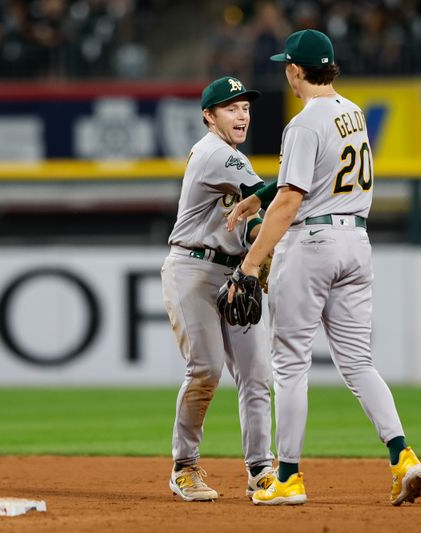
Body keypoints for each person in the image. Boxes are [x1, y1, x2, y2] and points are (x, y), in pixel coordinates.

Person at [225, 29, 421, 506]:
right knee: (358, 362)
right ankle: (403, 455)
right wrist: (260, 193)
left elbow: (293, 198)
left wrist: (250, 266)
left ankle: (289, 478)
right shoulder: (353, 112)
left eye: (286, 65)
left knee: (290, 364)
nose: (285, 72)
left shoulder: (302, 122)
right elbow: (309, 177)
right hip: (356, 240)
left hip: (312, 242)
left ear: (295, 69)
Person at [161, 76, 276, 502]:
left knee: (256, 373)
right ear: (209, 116)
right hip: (192, 268)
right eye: (231, 108)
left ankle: (261, 469)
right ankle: (184, 466)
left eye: (245, 106)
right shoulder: (217, 154)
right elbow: (265, 195)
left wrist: (256, 263)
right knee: (206, 370)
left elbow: (250, 218)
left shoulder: (231, 157)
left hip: (232, 273)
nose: (242, 113)